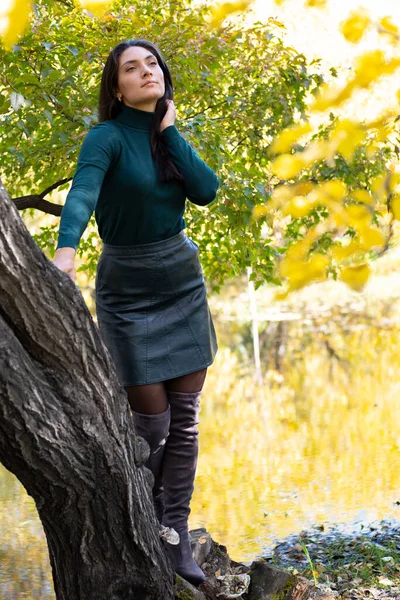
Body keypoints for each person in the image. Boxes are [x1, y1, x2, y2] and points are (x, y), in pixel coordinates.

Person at [52, 38, 219, 586]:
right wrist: (67, 250)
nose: (146, 72)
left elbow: (207, 191)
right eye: (132, 67)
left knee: (186, 424)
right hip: (127, 292)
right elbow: (83, 192)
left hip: (181, 283)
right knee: (151, 425)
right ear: (117, 85)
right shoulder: (106, 138)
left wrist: (170, 131)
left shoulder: (166, 135)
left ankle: (175, 536)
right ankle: (142, 521)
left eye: (152, 64)